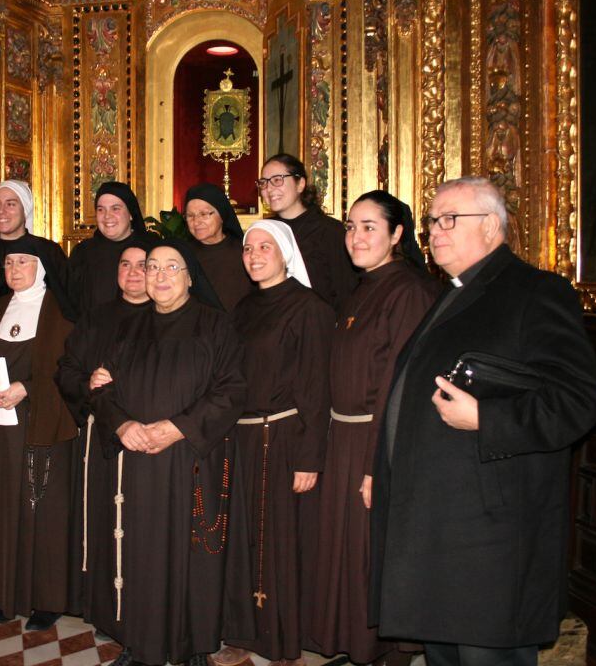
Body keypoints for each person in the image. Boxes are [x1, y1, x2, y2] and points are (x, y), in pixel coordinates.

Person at [370, 177, 596, 666]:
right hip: (440, 530)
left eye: (449, 219)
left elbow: (577, 401)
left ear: (492, 226)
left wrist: (485, 417)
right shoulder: (451, 293)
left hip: (491, 538)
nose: (435, 231)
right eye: (432, 221)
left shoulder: (536, 292)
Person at [88, 239, 247, 666]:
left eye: (170, 267)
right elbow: (102, 388)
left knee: (192, 554)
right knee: (140, 554)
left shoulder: (215, 325)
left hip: (190, 460)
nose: (158, 275)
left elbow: (231, 390)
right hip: (137, 460)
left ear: (191, 277)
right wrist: (123, 425)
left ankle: (192, 646)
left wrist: (177, 428)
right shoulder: (128, 328)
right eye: (152, 267)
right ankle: (138, 644)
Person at [308, 191, 440, 665]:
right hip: (344, 436)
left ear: (397, 233)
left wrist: (376, 466)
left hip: (377, 438)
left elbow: (398, 385)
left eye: (368, 227)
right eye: (349, 226)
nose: (355, 237)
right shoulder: (364, 286)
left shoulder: (408, 290)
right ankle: (360, 648)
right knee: (348, 552)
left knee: (372, 553)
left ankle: (387, 654)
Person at [218, 221, 335, 666]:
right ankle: (241, 630)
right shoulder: (243, 308)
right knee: (242, 540)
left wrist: (309, 457)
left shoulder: (309, 308)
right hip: (242, 437)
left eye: (265, 246)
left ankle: (280, 639)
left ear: (286, 253)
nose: (254, 254)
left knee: (276, 543)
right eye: (248, 247)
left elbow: (315, 388)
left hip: (282, 437)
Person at [0, 235, 78, 630]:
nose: (14, 270)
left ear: (41, 267)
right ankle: (2, 593)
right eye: (9, 264)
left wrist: (27, 388)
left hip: (41, 427)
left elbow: (71, 371)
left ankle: (46, 599)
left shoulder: (61, 312)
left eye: (23, 262)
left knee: (41, 510)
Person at [55, 240, 153, 624]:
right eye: (124, 265)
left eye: (141, 264)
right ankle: (103, 610)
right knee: (101, 528)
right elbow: (65, 369)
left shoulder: (167, 315)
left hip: (147, 441)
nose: (132, 272)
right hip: (100, 444)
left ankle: (142, 611)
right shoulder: (96, 317)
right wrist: (87, 381)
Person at [258, 154, 356, 311]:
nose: (269, 189)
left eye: (277, 180)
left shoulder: (330, 231)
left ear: (300, 184)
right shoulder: (264, 232)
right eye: (263, 183)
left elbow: (345, 290)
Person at [0, 180, 68, 314]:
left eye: (10, 204)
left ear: (25, 209)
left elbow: (64, 303)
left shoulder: (48, 251)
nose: (1, 211)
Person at [67, 181, 157, 314]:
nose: (107, 216)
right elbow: (71, 302)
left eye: (115, 209)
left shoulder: (153, 248)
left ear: (131, 214)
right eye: (101, 209)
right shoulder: (83, 253)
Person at [183, 183, 253, 312]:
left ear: (222, 215)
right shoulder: (182, 255)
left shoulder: (244, 252)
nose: (196, 221)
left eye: (204, 214)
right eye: (190, 215)